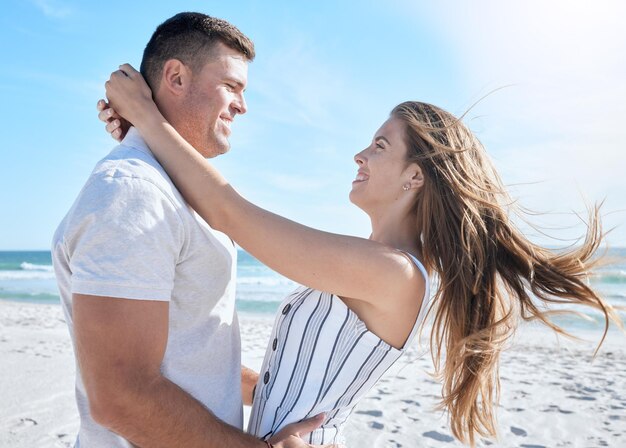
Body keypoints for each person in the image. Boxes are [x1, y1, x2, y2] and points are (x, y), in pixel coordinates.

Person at [100, 65, 623, 447]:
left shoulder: (392, 274)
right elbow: (283, 385)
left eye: (379, 145)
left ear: (415, 177)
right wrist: (144, 141)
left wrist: (147, 114)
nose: (359, 154)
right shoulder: (375, 267)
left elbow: (228, 211)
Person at [53, 12, 336, 448]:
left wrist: (273, 394)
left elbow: (191, 349)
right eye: (232, 87)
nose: (242, 105)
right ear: (176, 77)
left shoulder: (175, 191)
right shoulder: (132, 192)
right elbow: (121, 396)